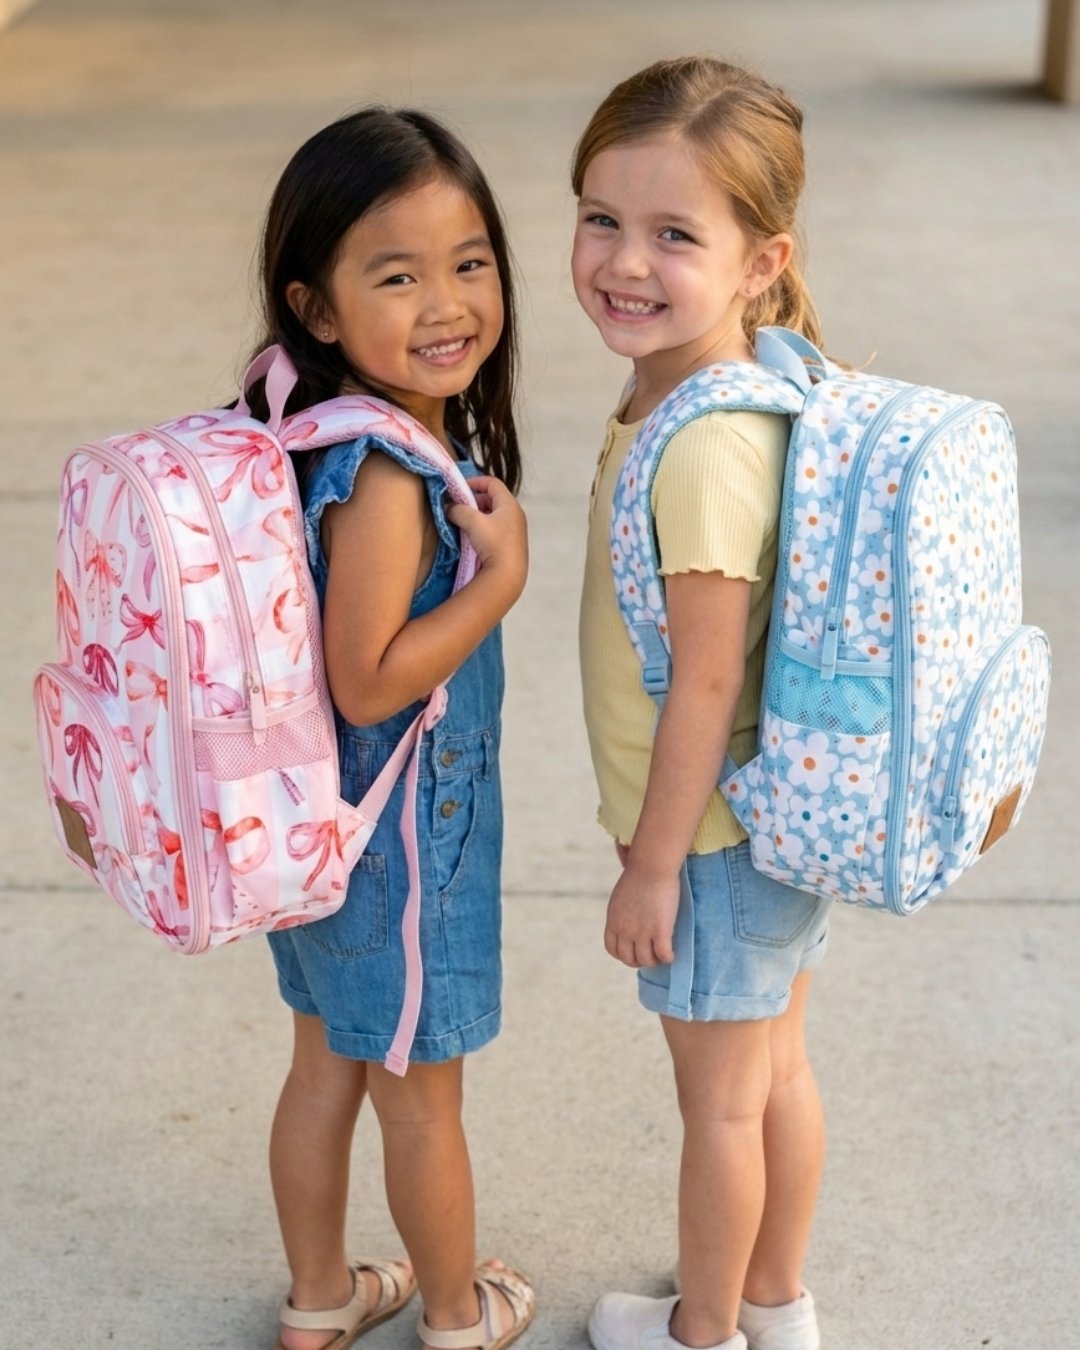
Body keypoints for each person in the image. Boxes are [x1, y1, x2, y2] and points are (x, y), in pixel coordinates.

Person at [252, 108, 534, 1350]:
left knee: (323, 1069)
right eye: (398, 273)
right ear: (319, 308)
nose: (448, 300)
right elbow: (369, 683)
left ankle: (322, 1300)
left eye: (470, 261)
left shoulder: (300, 419)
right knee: (422, 1107)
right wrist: (496, 587)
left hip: (320, 837)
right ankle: (459, 1318)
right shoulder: (380, 477)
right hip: (399, 847)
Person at [572, 58, 833, 1350]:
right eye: (602, 217)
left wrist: (653, 868)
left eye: (676, 232)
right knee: (772, 1065)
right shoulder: (707, 382)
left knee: (722, 1101)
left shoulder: (710, 441)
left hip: (712, 842)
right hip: (754, 828)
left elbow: (707, 674)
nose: (625, 260)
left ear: (759, 261)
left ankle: (706, 1330)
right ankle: (776, 1300)